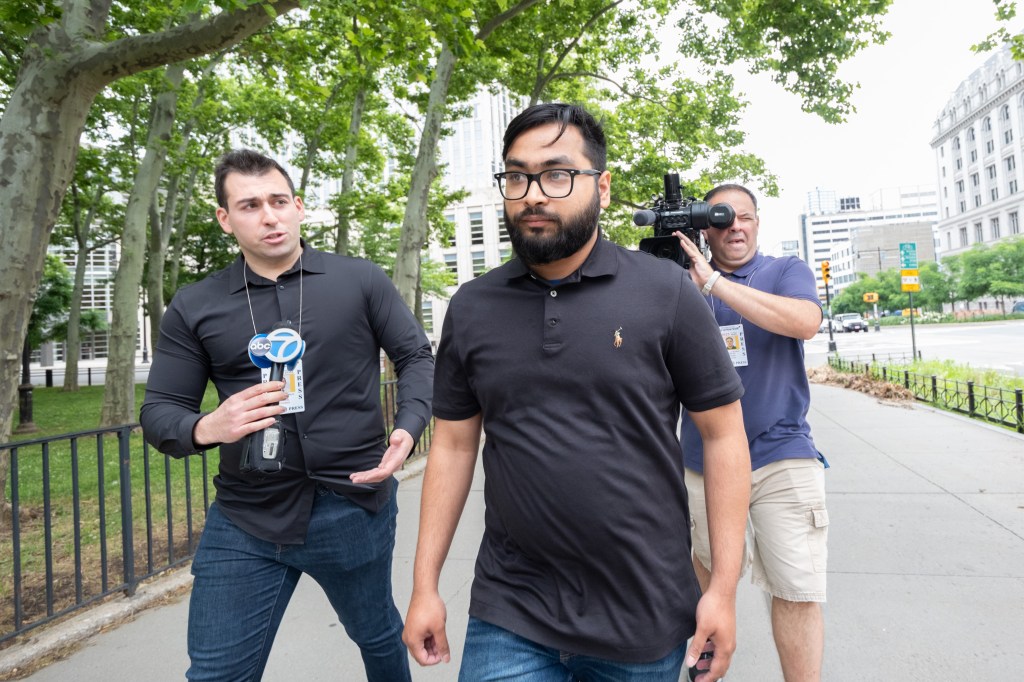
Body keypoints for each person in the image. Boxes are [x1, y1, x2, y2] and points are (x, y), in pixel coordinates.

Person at [402, 103, 751, 682]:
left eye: (557, 174)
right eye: (517, 176)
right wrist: (424, 586)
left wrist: (723, 587)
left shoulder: (665, 292)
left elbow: (723, 435)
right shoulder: (471, 308)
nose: (533, 193)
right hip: (510, 611)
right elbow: (454, 448)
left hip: (643, 617)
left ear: (602, 187)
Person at [139, 149, 433, 681]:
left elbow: (415, 356)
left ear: (299, 207)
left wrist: (408, 428)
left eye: (278, 201)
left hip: (352, 504)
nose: (269, 216)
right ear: (226, 220)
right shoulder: (195, 304)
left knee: (378, 636)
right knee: (215, 674)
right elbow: (160, 411)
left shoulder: (359, 281)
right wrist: (208, 427)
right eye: (249, 205)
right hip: (245, 516)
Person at [676, 184, 829, 682]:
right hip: (703, 461)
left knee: (796, 588)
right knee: (704, 588)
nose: (734, 227)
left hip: (782, 454)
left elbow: (806, 321)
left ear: (758, 223)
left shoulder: (785, 270)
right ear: (705, 227)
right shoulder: (679, 284)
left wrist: (715, 283)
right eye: (722, 219)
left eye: (744, 217)